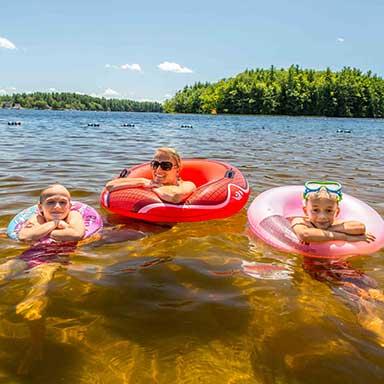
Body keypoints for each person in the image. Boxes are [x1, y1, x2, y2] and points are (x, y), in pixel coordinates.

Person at [1, 184, 86, 321]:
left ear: (70, 206)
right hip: (30, 254)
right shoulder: (37, 217)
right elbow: (24, 236)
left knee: (41, 279)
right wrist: (55, 224)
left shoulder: (74, 215)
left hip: (57, 256)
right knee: (4, 270)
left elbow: (76, 234)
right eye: (51, 202)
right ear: (41, 207)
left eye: (63, 202)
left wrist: (41, 232)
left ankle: (34, 303)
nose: (57, 206)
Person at [290, 181, 375, 244]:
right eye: (315, 210)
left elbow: (360, 227)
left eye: (329, 211)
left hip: (337, 261)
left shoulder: (336, 223)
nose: (322, 216)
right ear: (305, 211)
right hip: (309, 261)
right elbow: (305, 235)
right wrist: (346, 237)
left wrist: (319, 231)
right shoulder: (300, 221)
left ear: (337, 212)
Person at [105, 147, 196, 204]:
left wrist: (155, 187)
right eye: (155, 164)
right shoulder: (145, 182)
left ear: (178, 169)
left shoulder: (187, 185)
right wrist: (142, 182)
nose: (158, 170)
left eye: (166, 166)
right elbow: (110, 186)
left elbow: (175, 196)